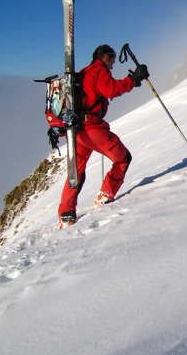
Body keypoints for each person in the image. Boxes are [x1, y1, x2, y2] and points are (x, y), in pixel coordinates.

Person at [58, 45, 149, 228]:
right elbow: (111, 90)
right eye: (113, 60)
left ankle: (66, 213)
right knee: (123, 158)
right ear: (106, 57)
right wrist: (133, 79)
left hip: (76, 130)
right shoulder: (98, 71)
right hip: (92, 128)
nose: (113, 65)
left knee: (76, 173)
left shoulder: (84, 72)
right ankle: (106, 195)